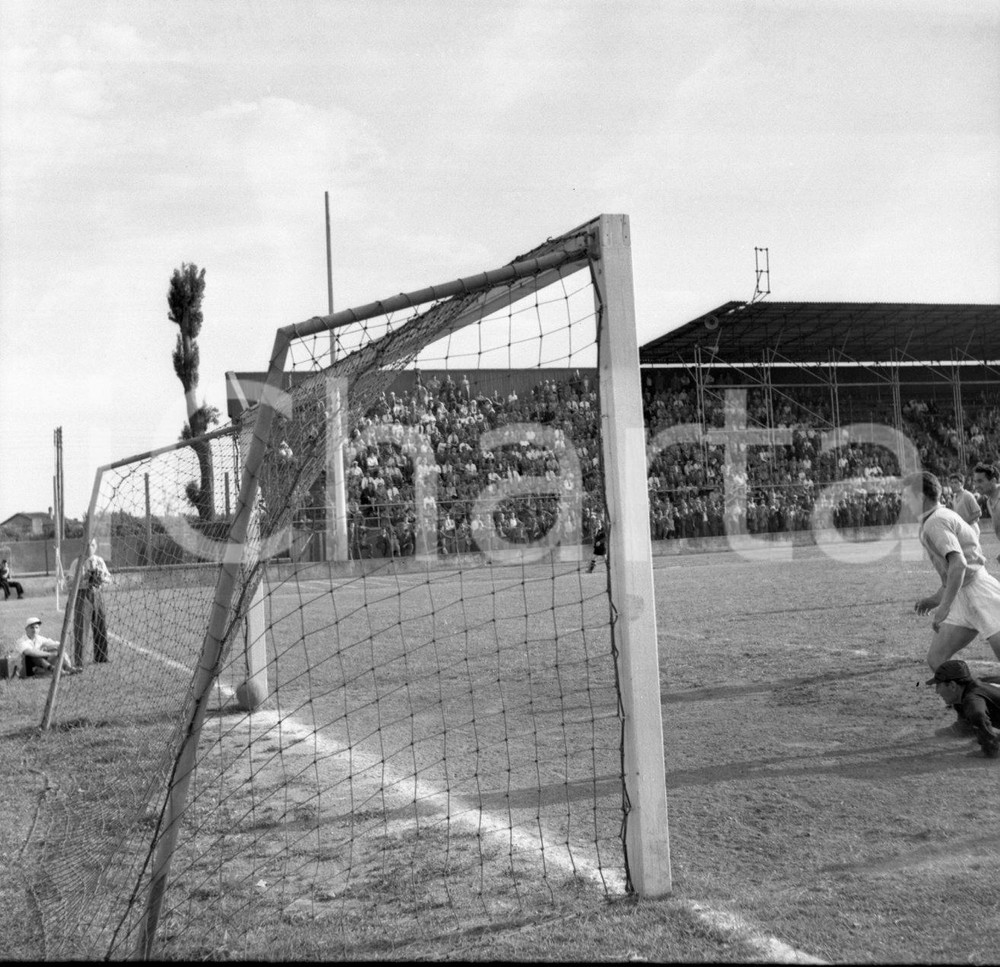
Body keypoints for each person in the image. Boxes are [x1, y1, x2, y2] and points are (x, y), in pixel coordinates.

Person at [903, 471, 1000, 734]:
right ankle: (970, 719)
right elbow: (953, 571)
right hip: (966, 594)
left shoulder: (936, 521)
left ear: (921, 496)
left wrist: (944, 607)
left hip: (980, 592)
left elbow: (959, 564)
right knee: (937, 659)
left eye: (907, 495)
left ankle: (984, 712)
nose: (904, 501)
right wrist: (937, 599)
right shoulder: (936, 518)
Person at [925, 659, 1000, 757]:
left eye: (939, 685)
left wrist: (989, 748)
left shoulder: (972, 698)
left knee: (976, 715)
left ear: (952, 685)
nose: (937, 691)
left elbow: (978, 715)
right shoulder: (977, 684)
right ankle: (966, 728)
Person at [73, 539, 112, 666]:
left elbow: (109, 578)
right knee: (81, 629)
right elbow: (69, 583)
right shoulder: (77, 562)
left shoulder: (99, 561)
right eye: (87, 544)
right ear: (82, 546)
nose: (90, 547)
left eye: (92, 545)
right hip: (83, 595)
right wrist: (83, 578)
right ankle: (80, 660)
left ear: (96, 547)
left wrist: (101, 578)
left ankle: (101, 657)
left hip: (97, 594)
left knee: (100, 626)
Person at [971, 462, 1000, 564]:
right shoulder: (989, 502)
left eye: (980, 481)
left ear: (993, 481)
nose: (976, 486)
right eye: (975, 482)